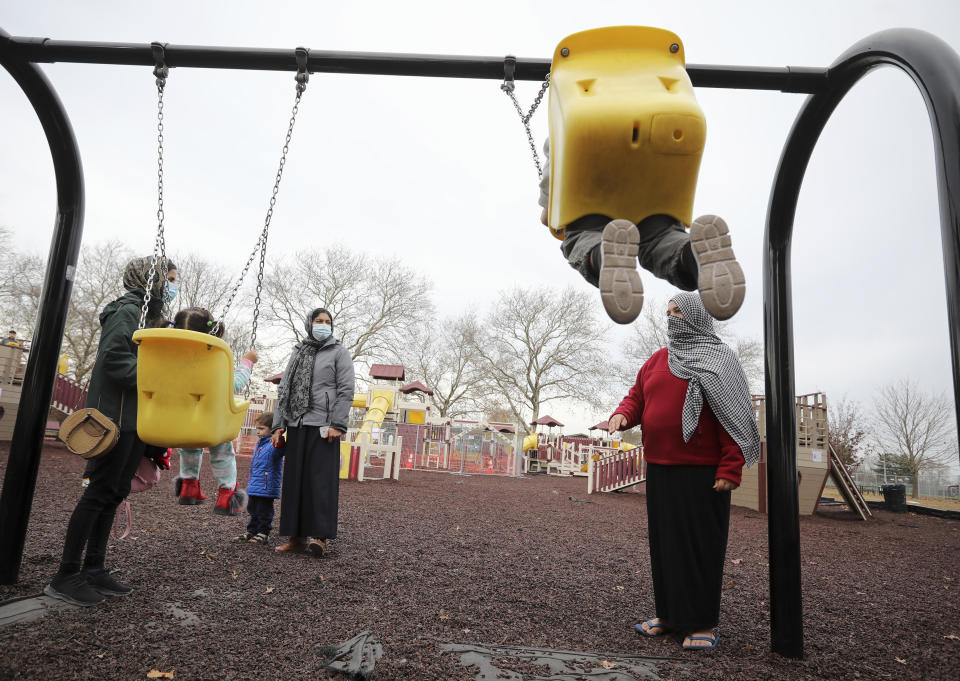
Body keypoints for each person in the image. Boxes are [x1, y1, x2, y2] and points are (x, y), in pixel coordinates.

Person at [607, 292, 760, 650]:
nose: (671, 318)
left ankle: (702, 623)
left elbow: (734, 418)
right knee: (666, 547)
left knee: (699, 547)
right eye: (668, 312)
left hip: (703, 473)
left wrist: (731, 467)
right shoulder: (658, 359)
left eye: (679, 312)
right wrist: (623, 414)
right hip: (661, 468)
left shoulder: (720, 360)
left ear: (697, 317)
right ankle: (669, 615)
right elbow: (636, 397)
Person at [45, 256, 178, 607]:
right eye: (170, 279)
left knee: (116, 491)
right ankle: (66, 574)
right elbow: (115, 358)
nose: (173, 286)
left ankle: (94, 567)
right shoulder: (128, 310)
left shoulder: (148, 316)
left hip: (135, 419)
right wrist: (158, 378)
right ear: (152, 281)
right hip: (115, 419)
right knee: (98, 493)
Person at [537, 138, 745, 325]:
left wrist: (548, 212)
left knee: (584, 235)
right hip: (654, 165)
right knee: (661, 239)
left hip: (589, 183)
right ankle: (692, 253)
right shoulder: (658, 96)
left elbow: (551, 194)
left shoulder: (574, 108)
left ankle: (604, 254)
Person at [271, 307, 355, 556]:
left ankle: (319, 537)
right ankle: (296, 538)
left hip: (324, 426)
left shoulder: (339, 352)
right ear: (310, 323)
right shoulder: (298, 352)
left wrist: (338, 424)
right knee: (295, 483)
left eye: (327, 321)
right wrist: (278, 425)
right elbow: (285, 389)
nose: (323, 324)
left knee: (320, 483)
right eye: (318, 321)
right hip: (297, 423)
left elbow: (346, 389)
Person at [171, 307, 256, 516]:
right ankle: (226, 494)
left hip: (179, 419)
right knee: (222, 450)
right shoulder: (214, 357)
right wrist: (247, 362)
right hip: (211, 420)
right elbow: (236, 384)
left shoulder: (168, 355)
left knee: (189, 446)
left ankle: (188, 487)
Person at [235, 412, 285, 545]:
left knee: (264, 511)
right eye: (257, 428)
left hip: (266, 486)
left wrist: (278, 436)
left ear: (272, 430)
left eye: (262, 429)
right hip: (255, 485)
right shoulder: (260, 444)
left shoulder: (273, 444)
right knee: (252, 509)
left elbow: (279, 447)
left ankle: (264, 532)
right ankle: (252, 530)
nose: (258, 431)